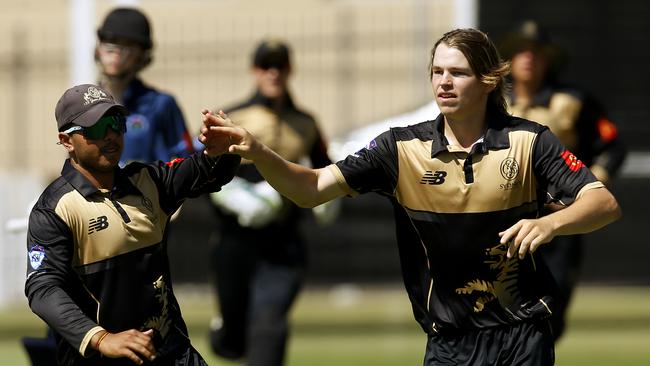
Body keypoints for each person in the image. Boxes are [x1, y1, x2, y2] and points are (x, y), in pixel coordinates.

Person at [201, 28, 622, 365]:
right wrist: (257, 151)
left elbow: (602, 202)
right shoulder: (399, 150)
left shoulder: (530, 142)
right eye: (437, 72)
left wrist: (550, 223)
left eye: (456, 73)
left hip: (522, 334)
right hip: (447, 342)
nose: (443, 82)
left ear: (488, 80)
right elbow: (310, 189)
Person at [24, 83, 240, 365]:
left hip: (172, 352)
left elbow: (206, 171)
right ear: (67, 141)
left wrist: (224, 150)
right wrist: (102, 339)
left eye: (116, 123)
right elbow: (42, 288)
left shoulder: (149, 181)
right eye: (96, 129)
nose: (111, 135)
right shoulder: (54, 209)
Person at [206, 39, 334, 366]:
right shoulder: (233, 116)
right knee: (232, 341)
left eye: (280, 66)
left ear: (290, 70)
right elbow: (201, 172)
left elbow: (327, 169)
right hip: (235, 242)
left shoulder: (306, 123)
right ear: (254, 71)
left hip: (283, 244)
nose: (273, 73)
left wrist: (328, 201)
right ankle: (226, 331)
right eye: (266, 66)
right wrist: (231, 198)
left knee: (269, 324)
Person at [499, 19, 627, 340]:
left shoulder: (571, 100)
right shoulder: (493, 102)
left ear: (548, 60)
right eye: (521, 52)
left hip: (560, 221)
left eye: (536, 53)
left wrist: (590, 186)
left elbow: (611, 145)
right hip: (506, 220)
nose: (528, 59)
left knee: (550, 310)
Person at [95, 7, 194, 166]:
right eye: (111, 41)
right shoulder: (84, 105)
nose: (116, 54)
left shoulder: (160, 105)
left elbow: (188, 165)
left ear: (143, 55)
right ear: (99, 48)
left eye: (128, 46)